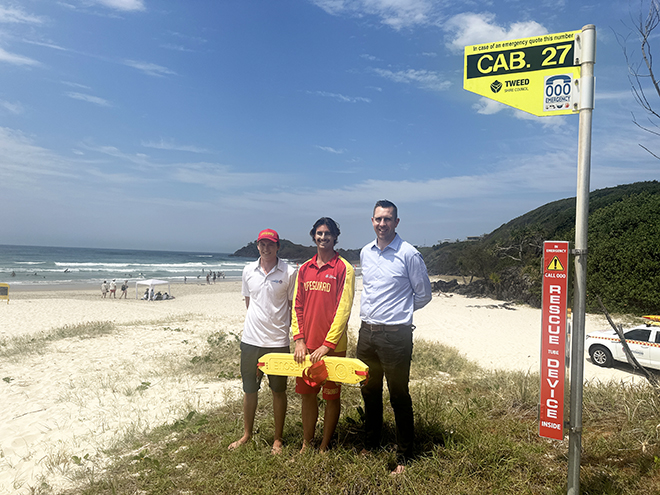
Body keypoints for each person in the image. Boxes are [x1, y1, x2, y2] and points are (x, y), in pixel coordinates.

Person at [356, 200, 432, 475]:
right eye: (378, 219)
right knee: (369, 392)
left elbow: (423, 295)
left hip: (395, 336)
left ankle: (404, 454)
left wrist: (399, 313)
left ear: (396, 222)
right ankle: (371, 443)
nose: (382, 224)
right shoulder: (366, 252)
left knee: (399, 395)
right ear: (372, 221)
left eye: (388, 219)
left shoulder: (409, 254)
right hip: (367, 334)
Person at [229, 228, 297, 454]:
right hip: (250, 340)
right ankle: (247, 434)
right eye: (262, 244)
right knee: (250, 389)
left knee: (278, 390)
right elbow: (250, 302)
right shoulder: (248, 270)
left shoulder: (289, 272)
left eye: (270, 244)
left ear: (278, 247)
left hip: (277, 341)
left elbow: (291, 306)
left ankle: (278, 438)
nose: (266, 248)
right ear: (257, 245)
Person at [292, 217, 355, 452]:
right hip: (306, 348)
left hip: (333, 348)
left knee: (331, 397)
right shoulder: (304, 269)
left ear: (335, 236)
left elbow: (343, 309)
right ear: (313, 236)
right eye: (319, 233)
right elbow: (297, 306)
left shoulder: (344, 269)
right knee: (307, 396)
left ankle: (324, 445)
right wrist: (299, 340)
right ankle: (307, 443)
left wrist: (327, 345)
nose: (323, 237)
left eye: (327, 233)